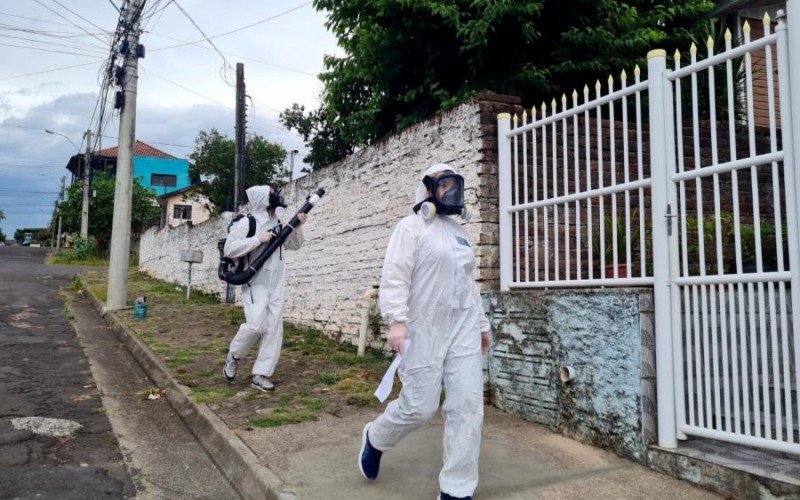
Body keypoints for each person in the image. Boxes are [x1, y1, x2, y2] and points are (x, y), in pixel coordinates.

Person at [359, 164, 491, 500]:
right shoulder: (411, 227)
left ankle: (457, 489)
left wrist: (482, 326)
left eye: (456, 185)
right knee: (420, 406)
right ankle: (376, 437)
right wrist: (397, 321)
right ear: (429, 190)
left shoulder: (459, 232)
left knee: (468, 406)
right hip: (423, 329)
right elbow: (395, 276)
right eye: (445, 184)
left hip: (462, 329)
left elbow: (468, 285)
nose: (452, 191)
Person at [222, 185, 308, 392]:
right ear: (263, 198)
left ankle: (260, 374)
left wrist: (298, 225)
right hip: (255, 282)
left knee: (273, 330)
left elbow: (295, 245)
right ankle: (234, 355)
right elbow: (229, 249)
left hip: (276, 284)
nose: (277, 195)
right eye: (272, 193)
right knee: (256, 325)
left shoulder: (279, 223)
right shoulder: (247, 222)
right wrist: (257, 239)